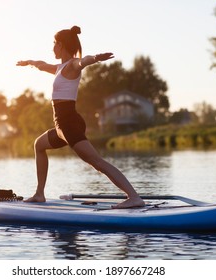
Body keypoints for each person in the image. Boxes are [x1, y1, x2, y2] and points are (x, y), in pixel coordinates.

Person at [16, 26, 145, 209]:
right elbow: (41, 64)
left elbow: (82, 62)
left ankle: (133, 197)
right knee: (39, 145)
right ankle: (39, 194)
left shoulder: (71, 66)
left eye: (53, 43)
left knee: (97, 162)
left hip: (68, 124)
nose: (52, 47)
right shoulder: (60, 68)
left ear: (60, 45)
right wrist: (28, 62)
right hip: (62, 126)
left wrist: (95, 59)